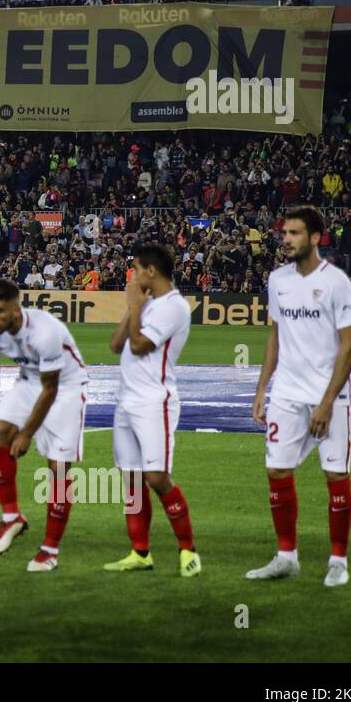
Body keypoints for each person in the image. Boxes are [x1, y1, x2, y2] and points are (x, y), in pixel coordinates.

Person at [248, 206, 351, 587]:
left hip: (329, 395)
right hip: (288, 394)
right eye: (285, 233)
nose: (287, 239)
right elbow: (276, 336)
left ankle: (338, 561)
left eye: (295, 233)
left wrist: (328, 401)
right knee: (277, 470)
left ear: (315, 238)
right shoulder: (277, 279)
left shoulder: (337, 283)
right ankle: (286, 557)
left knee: (335, 474)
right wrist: (263, 388)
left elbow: (350, 347)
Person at [103, 244, 200, 577]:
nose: (132, 275)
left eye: (135, 269)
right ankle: (139, 551)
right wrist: (134, 309)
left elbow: (140, 345)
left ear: (151, 271)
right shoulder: (147, 304)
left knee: (156, 477)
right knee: (132, 481)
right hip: (126, 400)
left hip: (154, 400)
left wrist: (135, 305)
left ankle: (188, 550)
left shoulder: (174, 307)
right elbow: (116, 345)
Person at [0, 278, 88, 571]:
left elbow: (50, 390)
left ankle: (50, 549)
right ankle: (12, 517)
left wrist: (26, 434)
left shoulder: (46, 332)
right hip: (28, 382)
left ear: (16, 308)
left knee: (59, 467)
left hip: (64, 387)